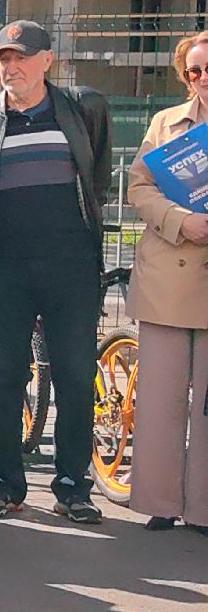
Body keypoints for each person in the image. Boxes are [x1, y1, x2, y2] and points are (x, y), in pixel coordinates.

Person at [0, 20, 113, 525]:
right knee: (5, 378)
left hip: (72, 268)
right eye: (3, 58)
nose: (10, 67)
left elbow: (97, 178)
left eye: (21, 57)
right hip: (7, 269)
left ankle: (72, 488)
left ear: (47, 61)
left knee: (76, 378)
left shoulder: (84, 109)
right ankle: (3, 484)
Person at [123, 30, 208, 533]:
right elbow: (140, 187)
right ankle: (159, 500)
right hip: (169, 277)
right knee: (161, 398)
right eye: (192, 71)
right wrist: (182, 221)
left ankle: (202, 507)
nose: (200, 79)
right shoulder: (164, 123)